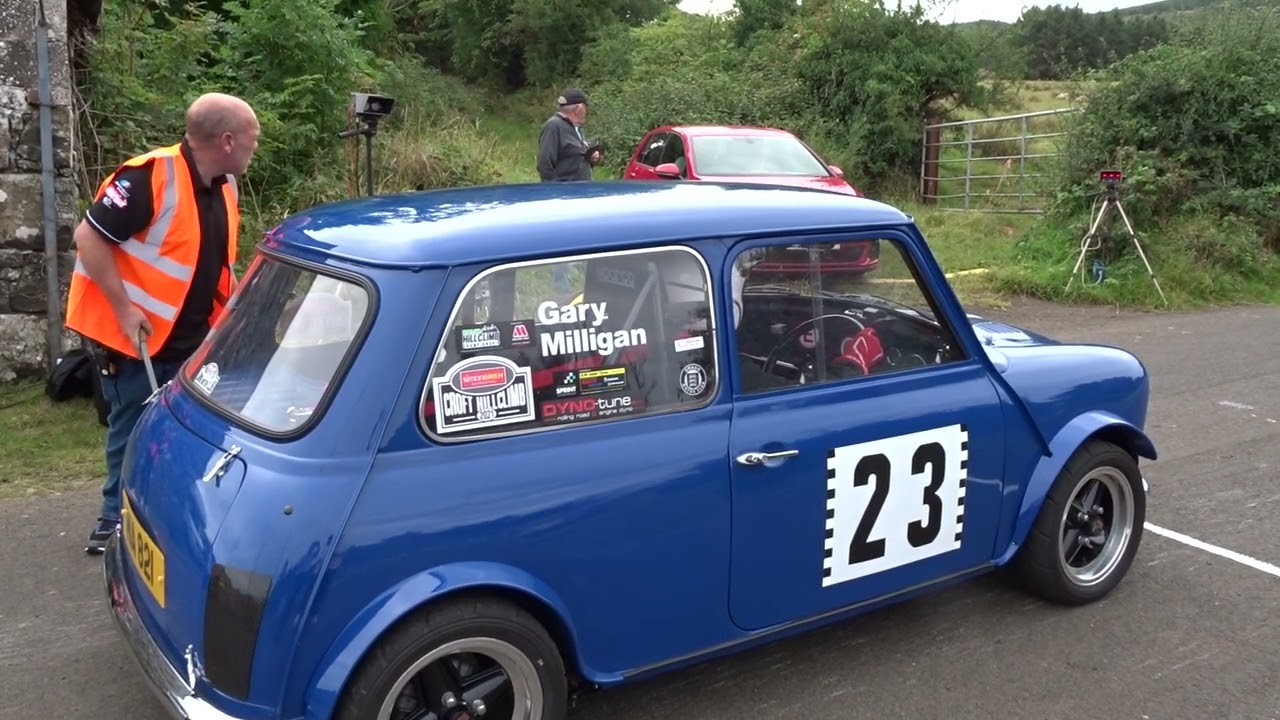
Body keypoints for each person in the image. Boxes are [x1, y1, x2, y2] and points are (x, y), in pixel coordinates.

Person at [66, 92, 260, 554]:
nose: (256, 148)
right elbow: (87, 238)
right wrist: (124, 309)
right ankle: (113, 519)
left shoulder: (226, 185)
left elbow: (211, 260)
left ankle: (176, 518)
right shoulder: (149, 177)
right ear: (228, 140)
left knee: (190, 431)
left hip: (196, 337)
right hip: (137, 338)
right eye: (253, 140)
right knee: (133, 425)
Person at [536, 88, 602, 182]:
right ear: (577, 109)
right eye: (585, 107)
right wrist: (554, 190)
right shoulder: (553, 126)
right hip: (565, 193)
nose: (586, 111)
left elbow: (572, 157)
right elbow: (545, 164)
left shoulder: (576, 127)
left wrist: (590, 157)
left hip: (583, 190)